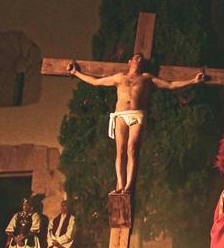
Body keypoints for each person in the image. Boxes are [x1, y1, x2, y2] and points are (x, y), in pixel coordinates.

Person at [67, 55, 206, 194]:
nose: (138, 59)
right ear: (129, 62)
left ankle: (128, 186)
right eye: (136, 58)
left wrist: (193, 81)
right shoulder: (120, 77)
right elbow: (96, 82)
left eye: (141, 59)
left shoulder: (146, 78)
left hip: (136, 114)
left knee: (131, 148)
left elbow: (170, 85)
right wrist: (76, 72)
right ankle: (120, 185)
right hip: (120, 115)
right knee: (120, 151)